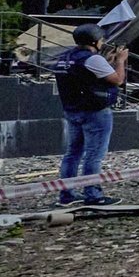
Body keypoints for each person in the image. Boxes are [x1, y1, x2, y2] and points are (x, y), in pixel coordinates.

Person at [49, 24, 126, 206]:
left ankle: (66, 195)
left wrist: (107, 61)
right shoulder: (91, 59)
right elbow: (118, 80)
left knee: (72, 154)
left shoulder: (64, 58)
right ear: (94, 41)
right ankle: (93, 194)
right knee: (94, 155)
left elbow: (85, 75)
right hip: (95, 112)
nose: (102, 42)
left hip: (72, 110)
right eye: (101, 39)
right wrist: (120, 61)